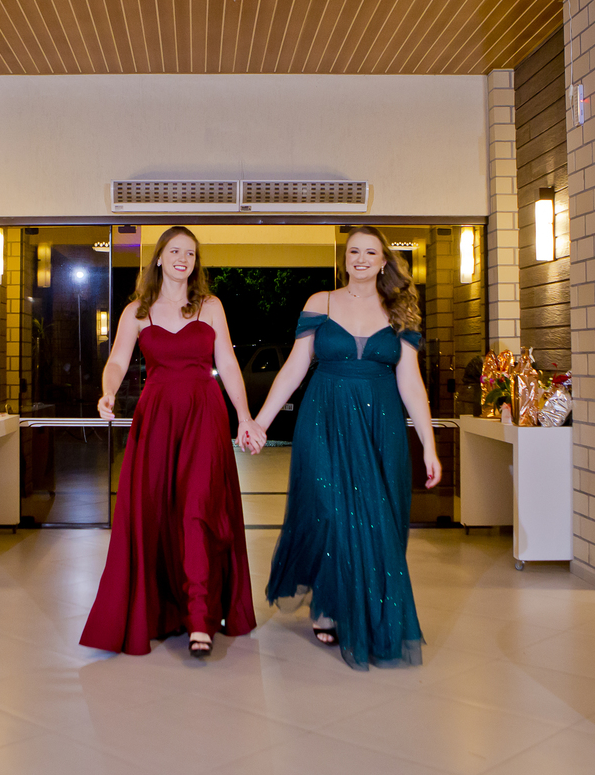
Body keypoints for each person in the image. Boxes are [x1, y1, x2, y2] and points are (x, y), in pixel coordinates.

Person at [253, 225, 441, 671]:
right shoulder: (321, 302)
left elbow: (411, 383)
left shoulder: (400, 311)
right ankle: (328, 604)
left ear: (383, 260)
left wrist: (428, 445)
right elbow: (294, 368)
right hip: (324, 420)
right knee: (329, 510)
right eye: (353, 251)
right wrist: (260, 422)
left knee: (377, 518)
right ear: (345, 258)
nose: (360, 258)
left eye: (370, 252)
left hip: (381, 427)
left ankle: (367, 609)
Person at [80, 226, 266, 659]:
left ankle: (200, 618)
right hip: (157, 419)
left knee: (198, 508)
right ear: (160, 257)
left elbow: (229, 364)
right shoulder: (137, 311)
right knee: (158, 513)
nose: (183, 259)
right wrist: (108, 392)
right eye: (175, 251)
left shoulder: (210, 306)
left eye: (191, 253)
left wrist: (245, 417)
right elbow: (117, 361)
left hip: (205, 416)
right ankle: (165, 609)